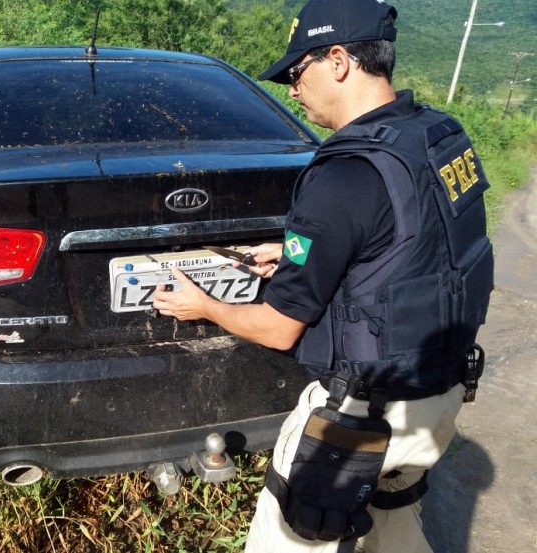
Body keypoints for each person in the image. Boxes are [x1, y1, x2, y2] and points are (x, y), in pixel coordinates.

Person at [152, 0, 494, 552]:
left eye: (296, 70)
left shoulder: (344, 174)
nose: (291, 87)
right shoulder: (437, 134)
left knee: (291, 536)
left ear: (338, 60)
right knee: (396, 532)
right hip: (438, 398)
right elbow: (413, 246)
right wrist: (305, 252)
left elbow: (279, 328)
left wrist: (203, 306)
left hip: (358, 418)